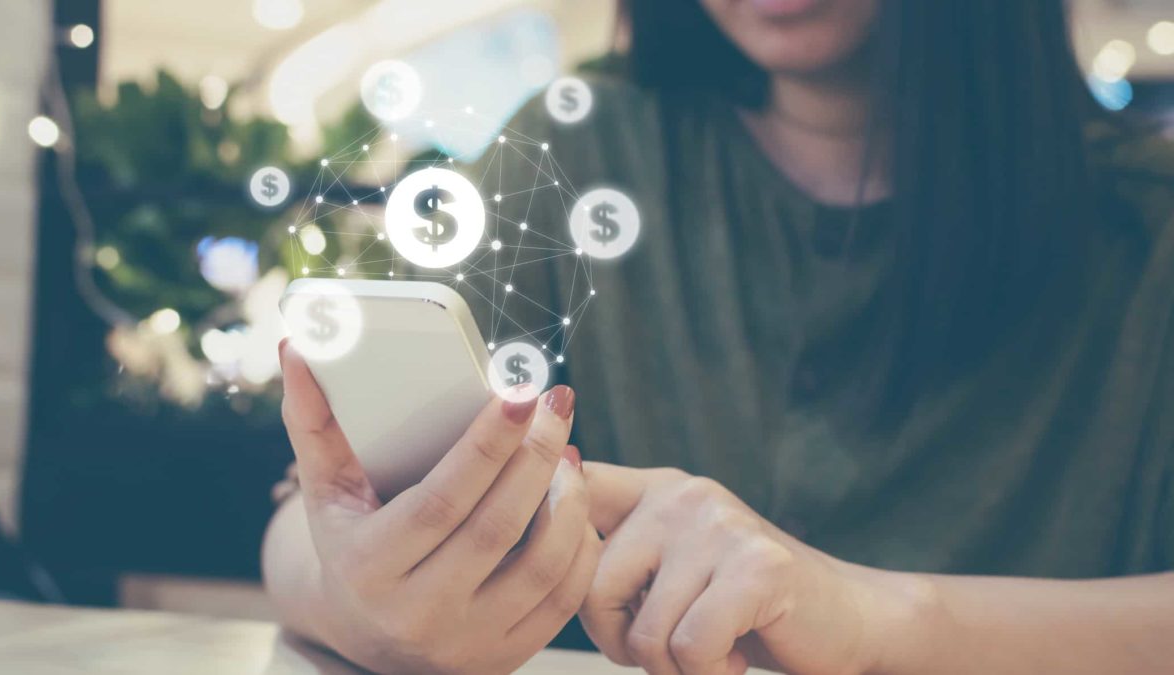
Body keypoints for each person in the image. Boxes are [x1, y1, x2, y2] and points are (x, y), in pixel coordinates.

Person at [263, 0, 1174, 673]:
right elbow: (305, 525)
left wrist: (865, 614)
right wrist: (364, 603)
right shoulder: (580, 151)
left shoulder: (1146, 228)